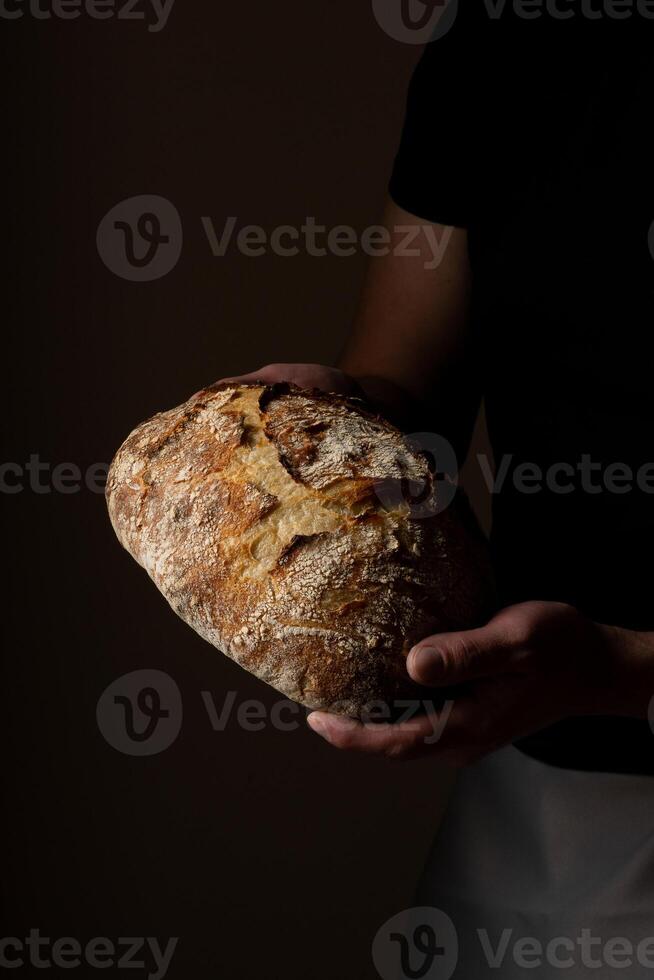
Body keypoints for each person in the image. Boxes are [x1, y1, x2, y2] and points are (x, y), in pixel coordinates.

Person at [220, 4, 654, 975]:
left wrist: (626, 669)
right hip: (549, 805)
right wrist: (335, 419)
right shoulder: (509, 42)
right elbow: (409, 379)